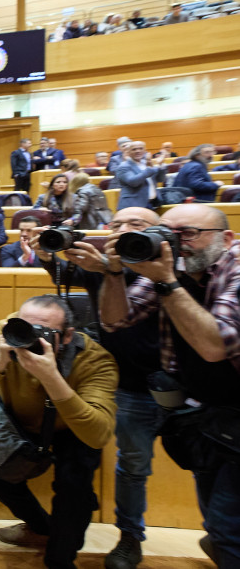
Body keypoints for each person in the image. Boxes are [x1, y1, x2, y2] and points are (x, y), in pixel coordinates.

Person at [101, 203, 240, 567]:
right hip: (210, 413)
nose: (176, 244)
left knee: (226, 524)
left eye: (188, 234)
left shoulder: (235, 269)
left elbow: (215, 346)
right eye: (167, 234)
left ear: (225, 238)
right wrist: (113, 271)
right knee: (216, 517)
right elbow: (116, 320)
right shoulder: (172, 267)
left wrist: (166, 281)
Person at [27, 207, 163, 569]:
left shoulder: (168, 269)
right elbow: (66, 274)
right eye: (116, 224)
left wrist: (106, 267)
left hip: (181, 381)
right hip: (128, 384)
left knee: (205, 461)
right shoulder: (104, 267)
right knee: (132, 467)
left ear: (159, 233)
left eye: (136, 224)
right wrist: (46, 253)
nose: (123, 230)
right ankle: (130, 536)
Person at [0, 295, 118, 569]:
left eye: (41, 333)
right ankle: (41, 527)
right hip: (20, 419)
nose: (28, 339)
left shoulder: (94, 359)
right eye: (23, 327)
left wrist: (51, 377)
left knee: (74, 490)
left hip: (73, 426)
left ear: (67, 336)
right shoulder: (0, 335)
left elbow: (98, 434)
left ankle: (60, 559)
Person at [115, 141, 164, 210]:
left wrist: (160, 165)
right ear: (128, 152)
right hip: (133, 205)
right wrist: (149, 169)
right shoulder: (123, 166)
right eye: (134, 149)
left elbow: (161, 179)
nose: (138, 151)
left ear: (145, 150)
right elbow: (133, 182)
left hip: (151, 203)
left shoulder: (146, 162)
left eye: (141, 148)